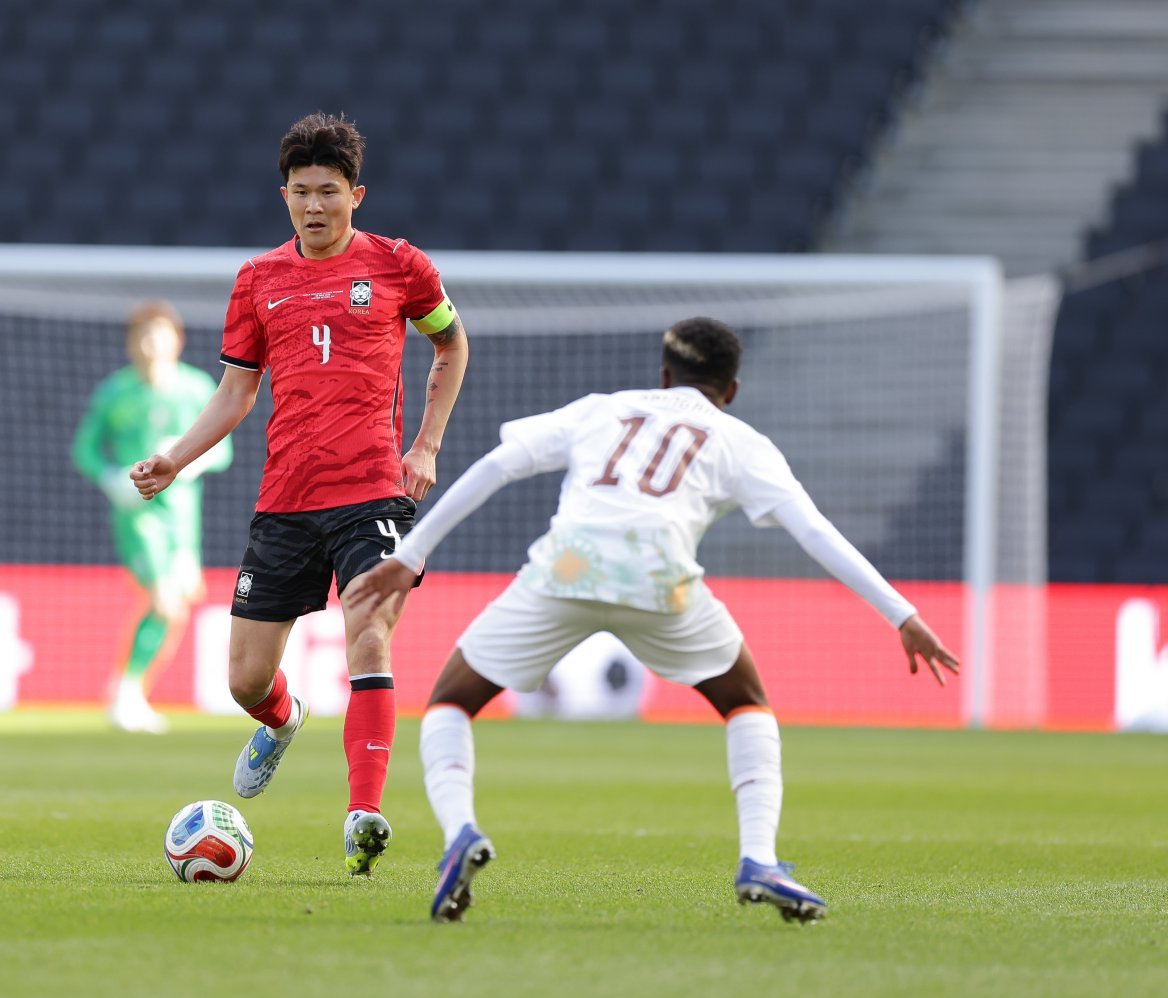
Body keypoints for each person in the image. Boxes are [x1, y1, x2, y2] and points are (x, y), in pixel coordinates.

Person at [345, 316, 960, 922]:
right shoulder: (738, 440)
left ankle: (460, 834)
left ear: (664, 375)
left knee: (451, 701)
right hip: (660, 578)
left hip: (568, 566)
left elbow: (499, 465)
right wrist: (901, 614)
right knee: (746, 703)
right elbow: (815, 532)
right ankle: (759, 859)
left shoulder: (602, 409)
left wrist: (409, 555)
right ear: (732, 390)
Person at [130, 113, 470, 876]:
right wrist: (176, 459)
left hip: (373, 492)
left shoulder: (399, 266)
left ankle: (364, 813)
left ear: (357, 194)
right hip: (286, 498)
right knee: (245, 678)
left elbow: (450, 341)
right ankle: (282, 723)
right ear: (283, 195)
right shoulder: (257, 281)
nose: (314, 207)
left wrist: (426, 443)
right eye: (300, 193)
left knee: (369, 637)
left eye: (329, 192)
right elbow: (234, 394)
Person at [72, 300, 230, 734]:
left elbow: (224, 449)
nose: (150, 343)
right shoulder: (115, 392)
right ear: (130, 344)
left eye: (158, 333)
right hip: (137, 513)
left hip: (182, 517)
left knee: (175, 609)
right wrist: (110, 478)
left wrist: (188, 462)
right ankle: (126, 692)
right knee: (163, 600)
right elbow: (83, 449)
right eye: (142, 335)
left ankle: (129, 691)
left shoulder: (197, 389)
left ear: (177, 340)